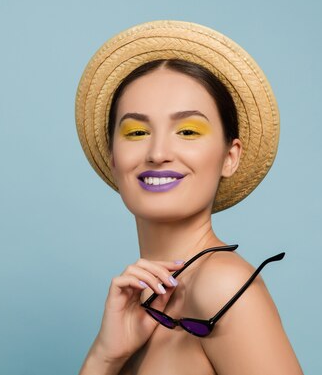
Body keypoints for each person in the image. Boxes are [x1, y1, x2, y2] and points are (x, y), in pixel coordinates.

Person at [75, 21, 302, 375]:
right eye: (136, 131)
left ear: (230, 156)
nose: (158, 152)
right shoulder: (137, 306)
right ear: (113, 157)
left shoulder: (221, 287)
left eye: (187, 131)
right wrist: (104, 357)